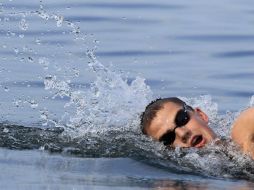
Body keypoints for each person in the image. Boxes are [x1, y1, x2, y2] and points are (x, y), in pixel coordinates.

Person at [140, 97, 254, 158]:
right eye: (168, 137)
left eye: (181, 119)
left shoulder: (243, 134)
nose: (182, 133)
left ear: (201, 115)